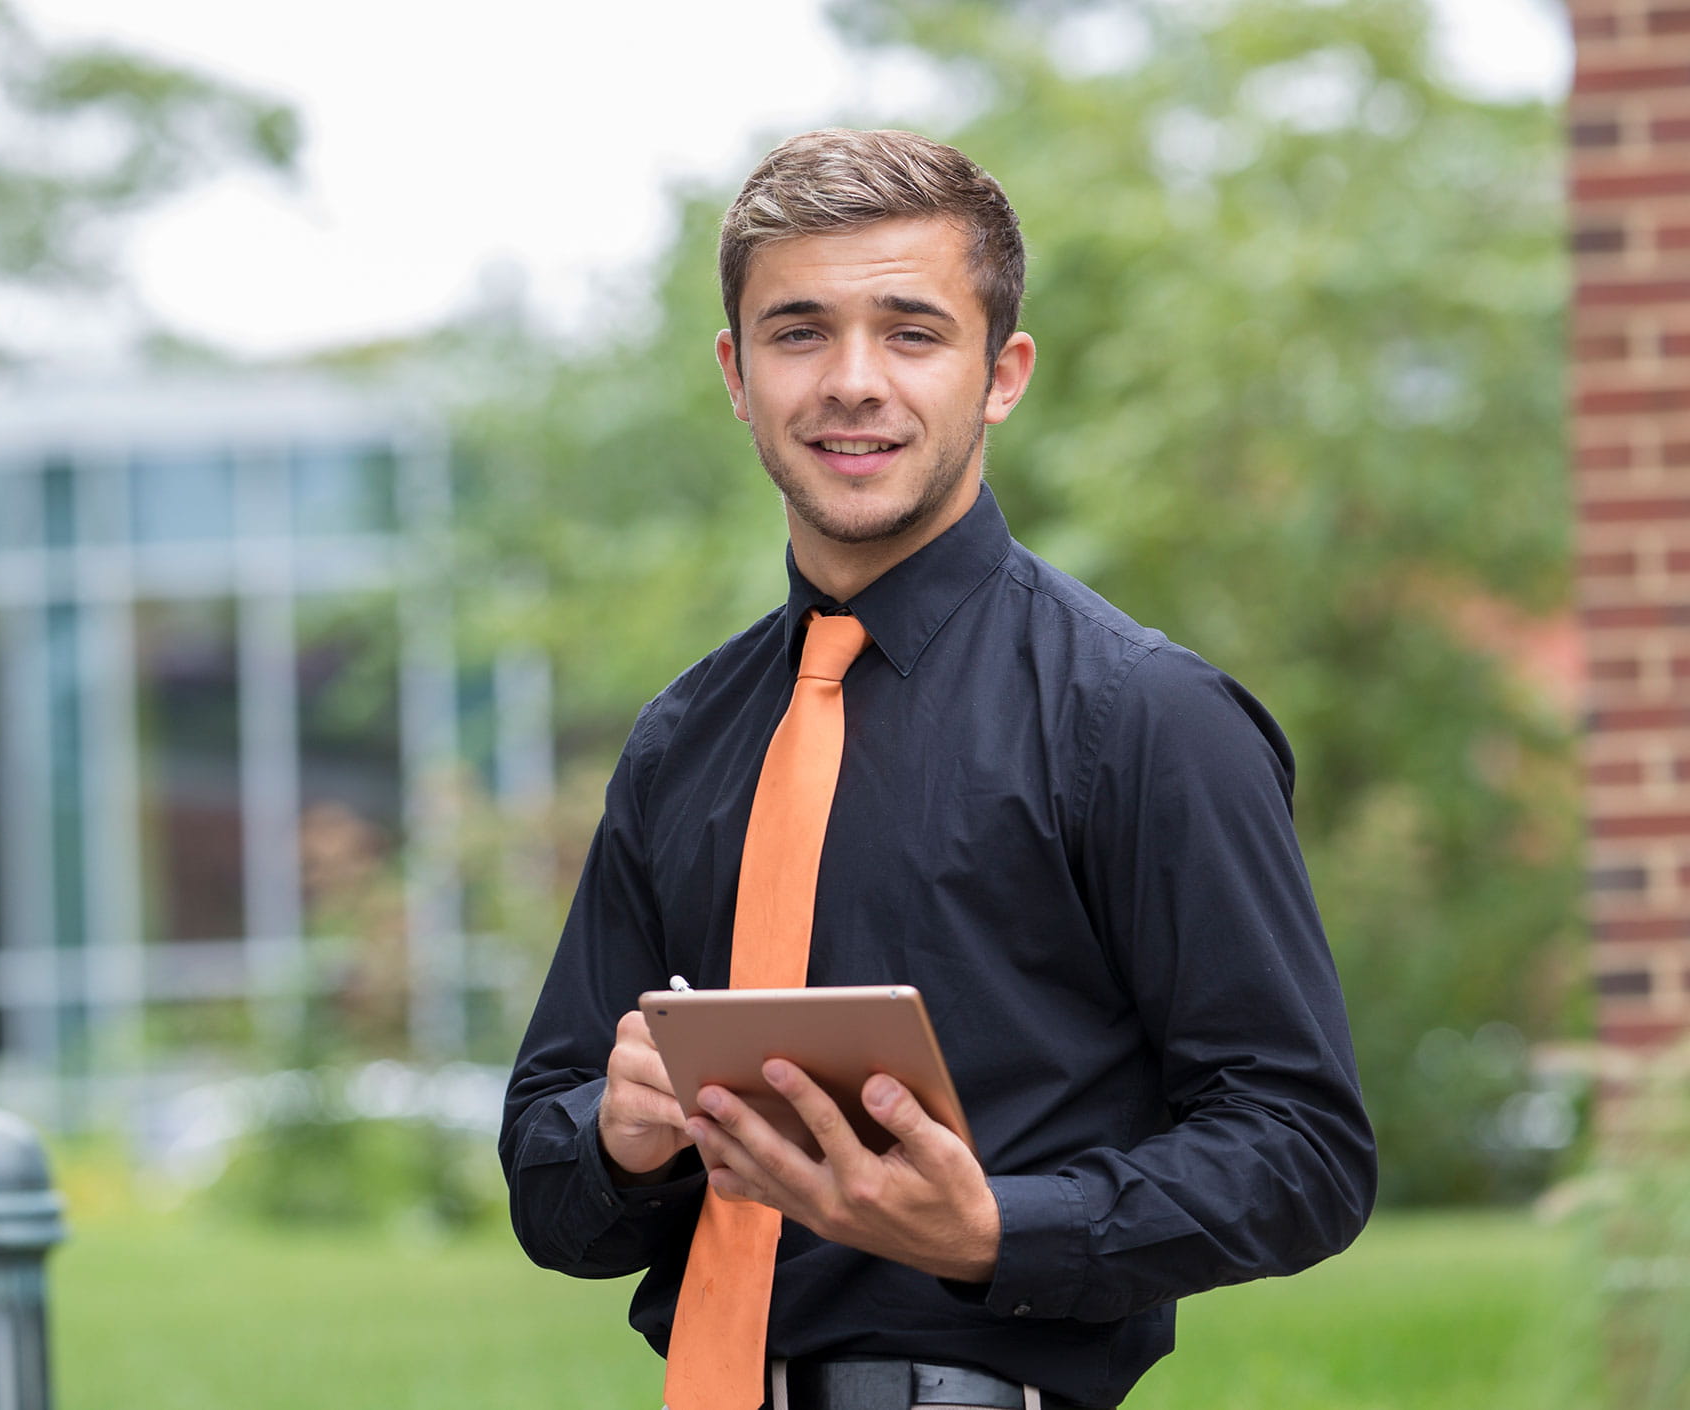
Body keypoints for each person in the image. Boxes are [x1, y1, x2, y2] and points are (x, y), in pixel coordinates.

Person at [500, 128, 1377, 1410]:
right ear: (736, 374)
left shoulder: (1144, 717)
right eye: (798, 333)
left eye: (910, 333)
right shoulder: (681, 739)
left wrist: (992, 1232)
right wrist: (617, 1140)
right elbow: (544, 1171)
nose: (851, 382)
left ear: (1000, 374)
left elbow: (1301, 1153)